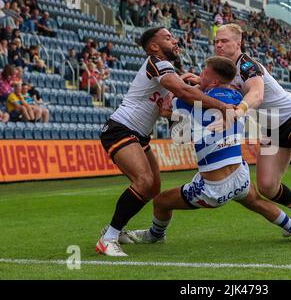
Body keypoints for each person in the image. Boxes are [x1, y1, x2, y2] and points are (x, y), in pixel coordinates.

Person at [181, 24, 291, 246]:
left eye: (224, 41)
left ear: (238, 43)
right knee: (267, 185)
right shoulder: (224, 69)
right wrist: (198, 81)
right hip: (272, 128)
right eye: (217, 41)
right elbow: (220, 86)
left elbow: (257, 93)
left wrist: (238, 111)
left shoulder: (247, 65)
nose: (219, 44)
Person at [123, 56, 291, 247]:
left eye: (204, 73)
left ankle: (155, 235)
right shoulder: (237, 98)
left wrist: (184, 85)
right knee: (257, 202)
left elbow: (165, 108)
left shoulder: (192, 102)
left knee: (161, 202)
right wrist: (201, 86)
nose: (200, 75)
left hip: (213, 188)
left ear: (214, 80)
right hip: (240, 175)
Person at [96, 27, 234, 256]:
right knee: (144, 181)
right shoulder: (156, 63)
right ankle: (108, 237)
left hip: (138, 134)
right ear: (154, 46)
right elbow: (183, 91)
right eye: (168, 38)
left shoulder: (166, 68)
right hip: (120, 129)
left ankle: (116, 230)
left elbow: (170, 101)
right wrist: (222, 106)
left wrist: (169, 108)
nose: (175, 40)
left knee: (153, 187)